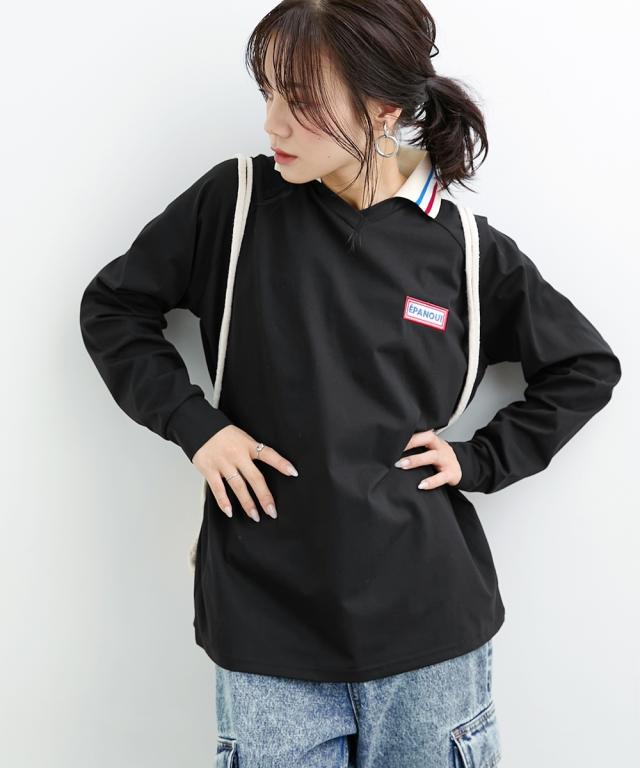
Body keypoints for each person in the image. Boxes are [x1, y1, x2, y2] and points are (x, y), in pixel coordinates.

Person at [79, 1, 622, 765]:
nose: (272, 123)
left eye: (299, 100)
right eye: (267, 92)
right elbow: (114, 309)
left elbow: (585, 366)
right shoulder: (236, 203)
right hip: (267, 625)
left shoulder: (465, 249)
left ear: (383, 111)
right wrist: (197, 427)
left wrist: (480, 459)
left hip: (430, 631)